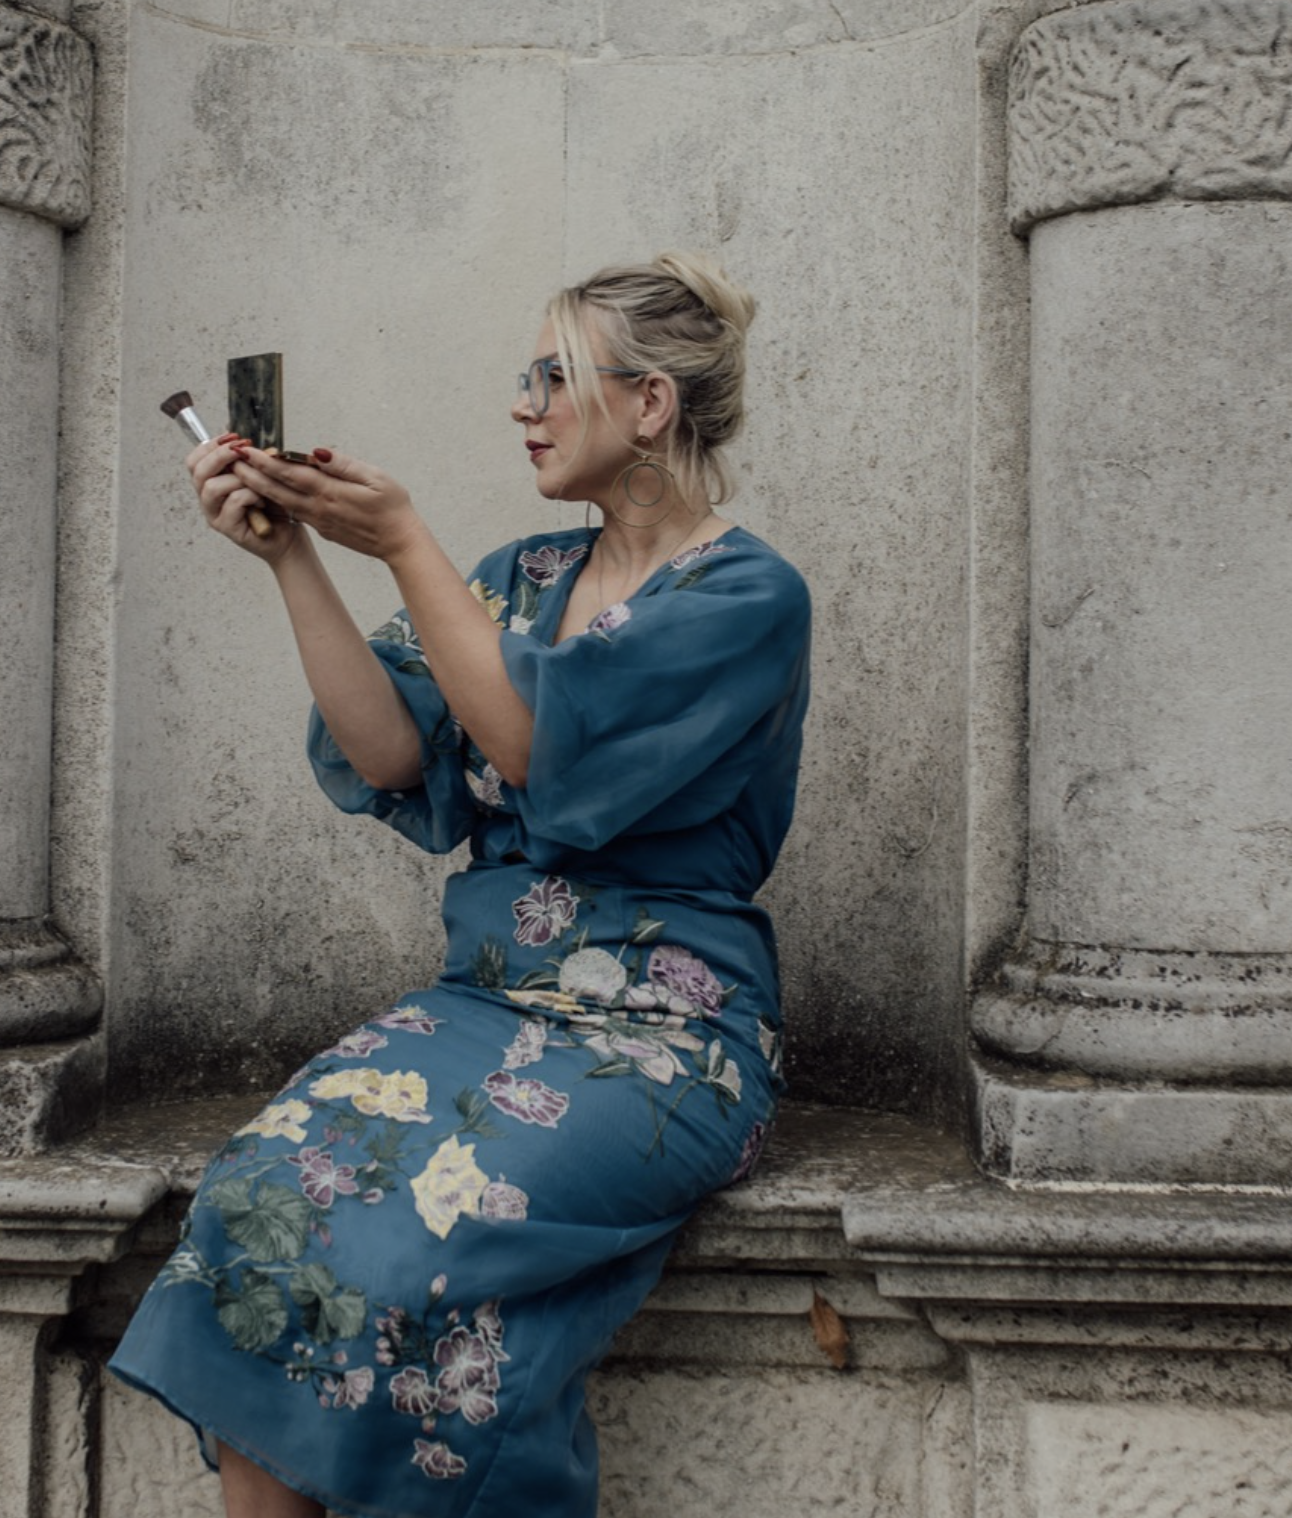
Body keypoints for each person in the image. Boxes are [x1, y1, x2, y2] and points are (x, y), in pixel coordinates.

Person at [109, 252, 811, 1518]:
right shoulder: (518, 578)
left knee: (419, 1248)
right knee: (259, 1197)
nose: (523, 403)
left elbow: (541, 754)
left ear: (648, 404)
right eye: (524, 375)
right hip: (486, 1004)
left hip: (663, 1031)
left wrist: (402, 540)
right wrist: (297, 561)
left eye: (554, 375)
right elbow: (389, 752)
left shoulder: (747, 596)